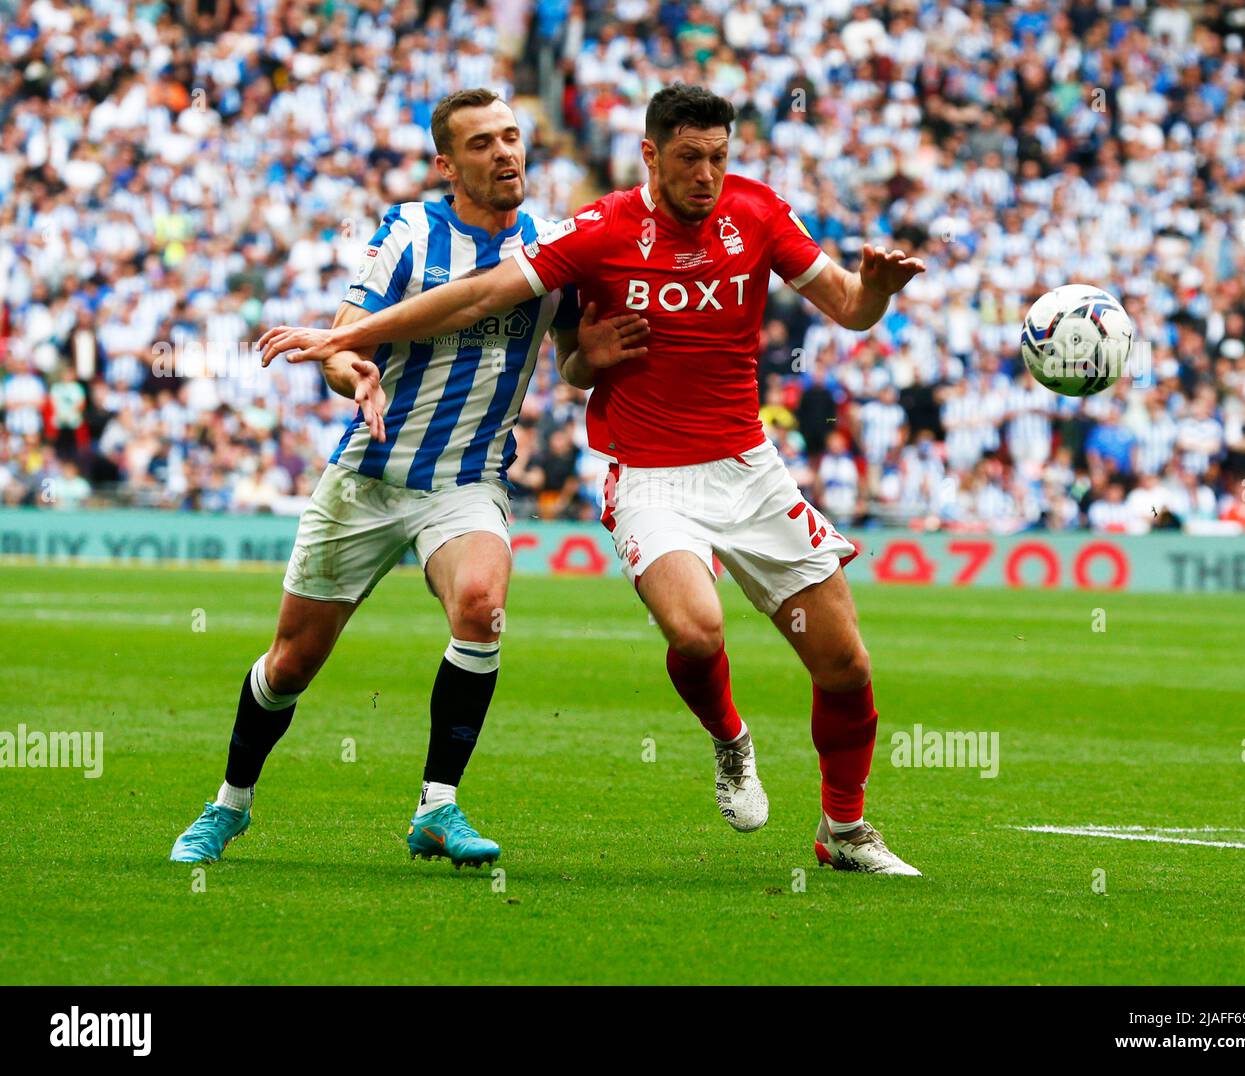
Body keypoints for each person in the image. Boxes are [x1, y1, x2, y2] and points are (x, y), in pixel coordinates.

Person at [260, 84, 927, 875]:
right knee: (697, 629)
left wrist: (877, 290)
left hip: (749, 469)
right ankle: (730, 739)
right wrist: (348, 335)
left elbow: (848, 307)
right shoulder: (602, 229)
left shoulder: (759, 213)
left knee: (845, 663)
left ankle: (844, 832)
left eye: (718, 157)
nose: (707, 175)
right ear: (651, 154)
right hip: (646, 474)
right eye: (688, 158)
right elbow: (477, 295)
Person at [170, 89, 645, 868]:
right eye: (483, 143)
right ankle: (231, 804)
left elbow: (567, 365)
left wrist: (592, 353)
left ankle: (438, 807)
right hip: (370, 474)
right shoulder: (410, 232)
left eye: (512, 138)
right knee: (291, 662)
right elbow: (340, 344)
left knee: (482, 607)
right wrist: (350, 370)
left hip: (467, 480)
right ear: (446, 165)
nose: (505, 154)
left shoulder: (554, 249)